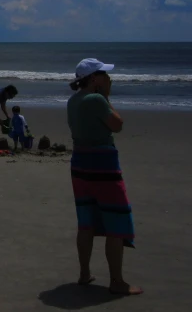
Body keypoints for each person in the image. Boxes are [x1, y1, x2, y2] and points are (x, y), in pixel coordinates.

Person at [66, 58, 142, 296]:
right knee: (116, 223)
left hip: (79, 163)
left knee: (86, 220)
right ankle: (117, 281)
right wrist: (107, 95)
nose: (108, 79)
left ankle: (84, 273)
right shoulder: (96, 99)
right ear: (94, 79)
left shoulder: (73, 100)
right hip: (102, 164)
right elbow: (117, 125)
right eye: (104, 75)